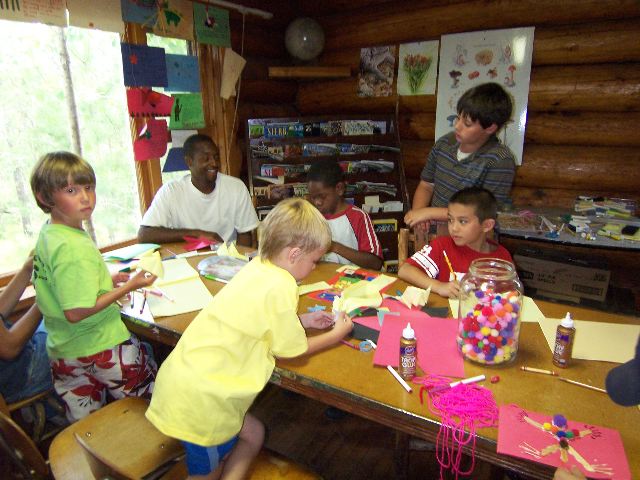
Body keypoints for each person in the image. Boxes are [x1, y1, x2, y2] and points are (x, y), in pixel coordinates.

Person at [146, 198, 354, 480]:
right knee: (207, 472)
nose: (314, 267)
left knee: (254, 434)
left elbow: (260, 318)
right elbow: (292, 351)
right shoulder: (283, 284)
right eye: (314, 261)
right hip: (205, 404)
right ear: (294, 254)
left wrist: (302, 321)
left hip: (185, 384)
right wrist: (336, 334)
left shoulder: (258, 266)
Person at [30, 151, 158, 422]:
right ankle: (159, 447)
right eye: (71, 190)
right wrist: (130, 286)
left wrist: (106, 280)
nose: (85, 197)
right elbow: (76, 311)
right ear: (45, 197)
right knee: (151, 405)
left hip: (64, 350)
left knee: (88, 424)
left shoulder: (51, 233)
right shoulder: (73, 246)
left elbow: (64, 284)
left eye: (88, 187)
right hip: (101, 344)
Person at [404, 82, 516, 232]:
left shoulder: (500, 160)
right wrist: (419, 215)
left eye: (467, 123)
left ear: (490, 128)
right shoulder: (444, 143)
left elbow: (482, 212)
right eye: (458, 118)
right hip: (435, 233)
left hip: (470, 239)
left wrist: (428, 213)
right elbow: (426, 185)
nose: (457, 126)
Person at [138, 134, 259, 247]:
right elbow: (144, 235)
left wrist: (237, 259)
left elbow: (245, 235)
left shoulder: (236, 187)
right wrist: (197, 234)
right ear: (189, 162)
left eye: (216, 157)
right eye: (206, 158)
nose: (214, 163)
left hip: (227, 259)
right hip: (188, 259)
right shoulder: (171, 191)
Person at [398, 187, 513, 298]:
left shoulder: (502, 258)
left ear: (487, 225)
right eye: (450, 220)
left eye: (462, 221)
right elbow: (405, 270)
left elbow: (510, 296)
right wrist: (439, 286)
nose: (454, 228)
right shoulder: (442, 246)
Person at [306, 159, 383, 270]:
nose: (317, 202)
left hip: (354, 278)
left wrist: (334, 247)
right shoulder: (312, 217)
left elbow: (375, 263)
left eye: (322, 196)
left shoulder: (358, 217)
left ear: (339, 189)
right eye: (313, 198)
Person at [0, 255, 52, 404]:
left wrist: (27, 269)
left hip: (19, 362)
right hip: (23, 374)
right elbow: (9, 348)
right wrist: (48, 295)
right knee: (77, 329)